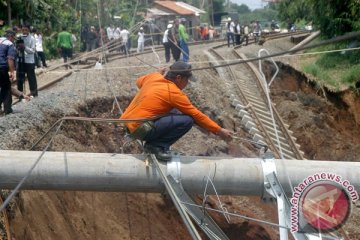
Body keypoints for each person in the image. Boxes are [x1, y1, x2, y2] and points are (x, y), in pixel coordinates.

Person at [120, 61, 232, 161]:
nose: (187, 83)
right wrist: (219, 130)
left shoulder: (153, 77)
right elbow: (196, 115)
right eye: (187, 80)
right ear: (178, 78)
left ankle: (154, 142)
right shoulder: (173, 93)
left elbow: (139, 82)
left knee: (176, 111)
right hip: (141, 129)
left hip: (130, 125)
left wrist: (157, 73)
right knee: (188, 120)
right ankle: (156, 146)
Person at [17, 24, 38, 98]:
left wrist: (24, 47)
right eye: (23, 30)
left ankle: (33, 93)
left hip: (29, 61)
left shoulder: (32, 38)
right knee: (20, 78)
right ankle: (20, 94)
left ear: (29, 30)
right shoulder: (19, 37)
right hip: (20, 60)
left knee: (31, 77)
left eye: (26, 30)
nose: (24, 31)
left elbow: (32, 50)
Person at [0, 29, 16, 114]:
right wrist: (12, 72)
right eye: (13, 38)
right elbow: (10, 59)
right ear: (11, 37)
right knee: (6, 87)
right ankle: (7, 109)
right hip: (2, 68)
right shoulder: (10, 44)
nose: (13, 40)